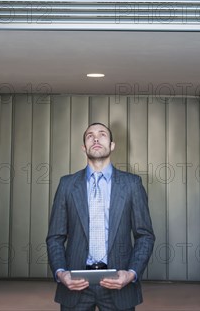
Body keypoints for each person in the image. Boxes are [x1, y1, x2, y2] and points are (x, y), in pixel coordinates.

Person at [46, 122, 155, 311]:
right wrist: (61, 273)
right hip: (76, 282)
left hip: (118, 282)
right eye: (90, 136)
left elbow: (145, 235)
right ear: (84, 147)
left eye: (102, 134)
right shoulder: (67, 185)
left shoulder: (132, 184)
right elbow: (55, 237)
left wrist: (131, 273)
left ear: (112, 145)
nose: (96, 138)